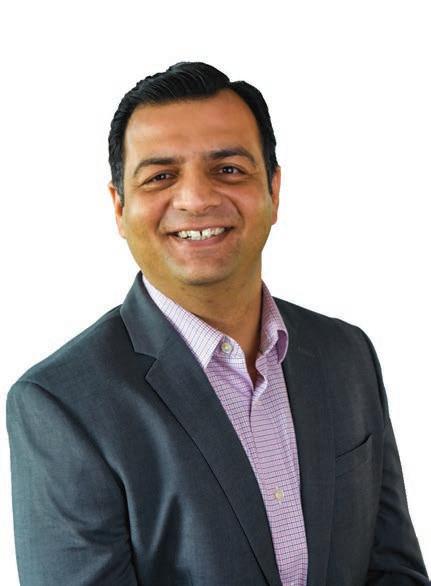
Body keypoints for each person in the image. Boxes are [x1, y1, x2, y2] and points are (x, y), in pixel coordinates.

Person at [6, 61, 429, 586]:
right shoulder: (60, 405)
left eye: (228, 169)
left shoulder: (347, 353)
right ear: (119, 207)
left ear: (274, 189)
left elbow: (394, 571)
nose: (197, 199)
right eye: (161, 176)